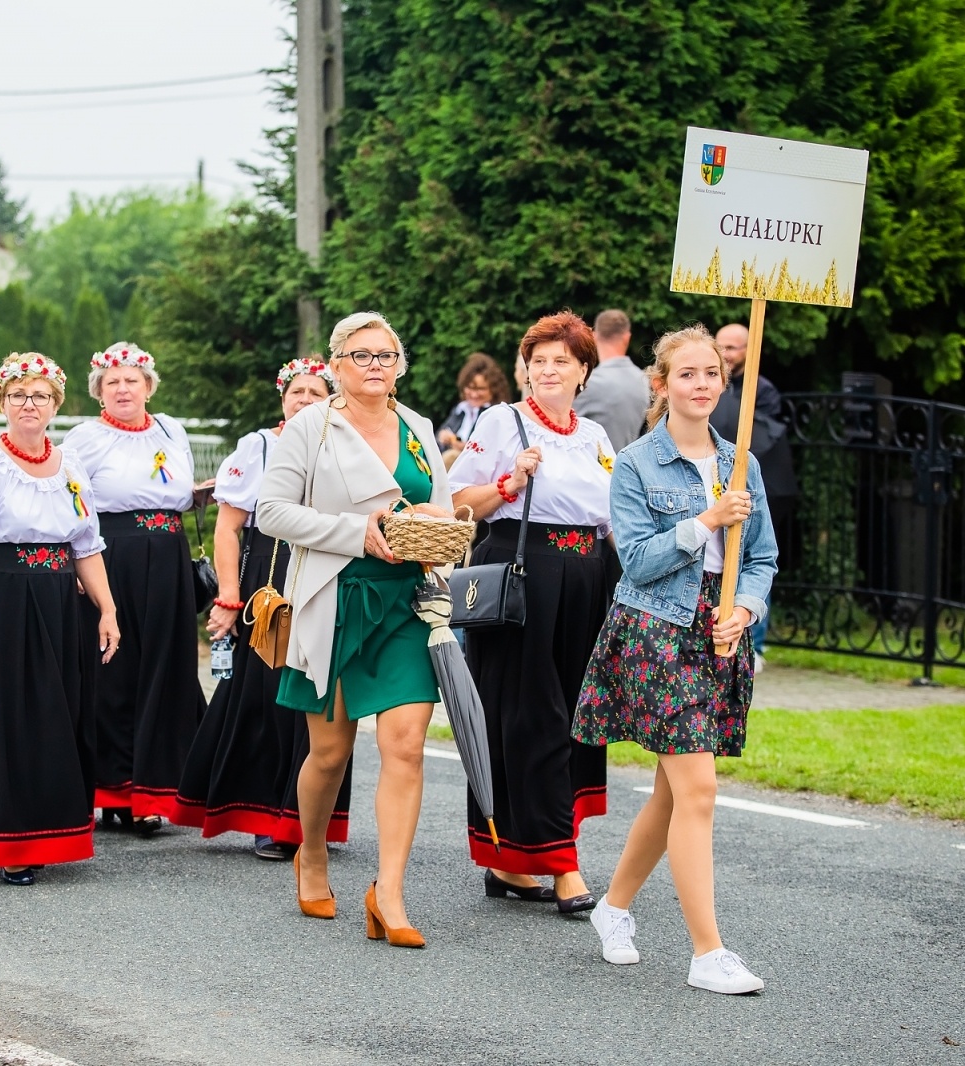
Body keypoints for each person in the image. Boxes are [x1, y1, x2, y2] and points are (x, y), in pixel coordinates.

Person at [572, 324, 777, 995]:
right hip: (656, 634)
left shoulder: (742, 461)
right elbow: (636, 560)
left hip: (718, 635)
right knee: (698, 788)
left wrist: (743, 609)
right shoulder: (634, 464)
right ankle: (707, 953)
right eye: (686, 374)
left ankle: (614, 906)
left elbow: (762, 558)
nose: (701, 385)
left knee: (672, 792)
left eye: (711, 374)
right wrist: (705, 522)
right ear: (660, 385)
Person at [258, 311, 454, 949]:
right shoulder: (310, 428)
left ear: (400, 364)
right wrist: (355, 533)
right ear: (336, 366)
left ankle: (389, 892)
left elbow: (442, 507)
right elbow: (271, 511)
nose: (375, 365)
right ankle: (310, 851)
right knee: (331, 752)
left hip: (406, 604)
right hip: (335, 600)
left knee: (404, 745)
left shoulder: (420, 428)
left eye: (386, 355)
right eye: (361, 355)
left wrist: (432, 525)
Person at [0, 353, 119, 885]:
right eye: (18, 395)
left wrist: (106, 609)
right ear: (3, 404)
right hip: (3, 601)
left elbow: (87, 545)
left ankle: (54, 830)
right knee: (11, 716)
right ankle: (11, 840)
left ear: (56, 404)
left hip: (59, 599)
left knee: (60, 712)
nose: (28, 404)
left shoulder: (71, 466)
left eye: (39, 395)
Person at [447, 310, 612, 914]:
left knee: (573, 715)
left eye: (560, 360)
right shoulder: (502, 421)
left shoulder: (595, 437)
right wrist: (511, 483)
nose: (546, 370)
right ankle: (561, 864)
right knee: (529, 714)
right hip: (525, 573)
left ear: (583, 371)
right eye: (536, 360)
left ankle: (514, 861)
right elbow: (460, 503)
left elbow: (612, 519)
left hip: (587, 576)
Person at [173, 358, 352, 860]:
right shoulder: (261, 447)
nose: (304, 400)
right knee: (269, 695)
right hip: (269, 582)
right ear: (282, 398)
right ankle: (268, 817)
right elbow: (229, 528)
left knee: (323, 695)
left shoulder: (348, 445)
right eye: (296, 391)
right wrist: (229, 597)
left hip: (330, 576)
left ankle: (312, 818)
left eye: (316, 392)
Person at [63, 342, 206, 836]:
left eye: (131, 379)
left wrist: (201, 494)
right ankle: (114, 790)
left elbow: (178, 491)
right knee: (115, 670)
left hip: (167, 554)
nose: (123, 388)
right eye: (112, 382)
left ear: (149, 385)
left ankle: (155, 789)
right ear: (99, 392)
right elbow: (72, 505)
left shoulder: (171, 428)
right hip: (113, 554)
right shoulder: (85, 438)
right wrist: (82, 573)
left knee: (166, 668)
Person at [710, 322, 798, 664]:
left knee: (752, 558)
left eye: (733, 348)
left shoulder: (761, 390)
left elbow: (762, 437)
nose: (727, 355)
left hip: (745, 487)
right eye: (722, 347)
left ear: (749, 351)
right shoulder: (710, 384)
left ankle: (754, 642)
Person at [573, 310, 650, 453]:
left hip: (592, 469)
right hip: (628, 468)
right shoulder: (643, 381)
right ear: (627, 338)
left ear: (594, 337)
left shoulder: (588, 383)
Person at [437, 352, 509, 463]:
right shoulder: (459, 410)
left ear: (494, 389)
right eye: (470, 388)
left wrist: (466, 448)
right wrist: (443, 437)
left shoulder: (497, 415)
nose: (474, 395)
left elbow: (495, 451)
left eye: (480, 389)